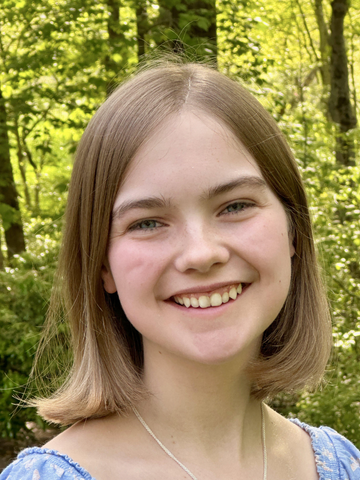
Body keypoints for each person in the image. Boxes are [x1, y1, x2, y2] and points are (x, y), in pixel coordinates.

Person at [1, 61, 360, 480]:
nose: (201, 253)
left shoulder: (341, 465)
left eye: (236, 206)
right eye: (147, 222)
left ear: (293, 230)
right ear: (103, 267)